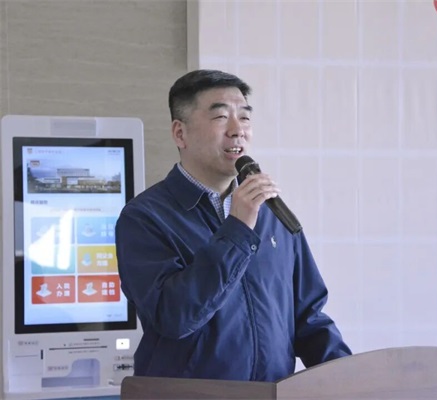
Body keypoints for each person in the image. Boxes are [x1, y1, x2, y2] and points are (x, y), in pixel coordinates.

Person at [115, 69, 352, 382]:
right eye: (221, 117)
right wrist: (238, 229)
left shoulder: (270, 212)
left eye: (244, 117)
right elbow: (174, 316)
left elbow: (308, 317)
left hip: (271, 393)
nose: (237, 130)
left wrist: (352, 380)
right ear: (180, 133)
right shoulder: (145, 217)